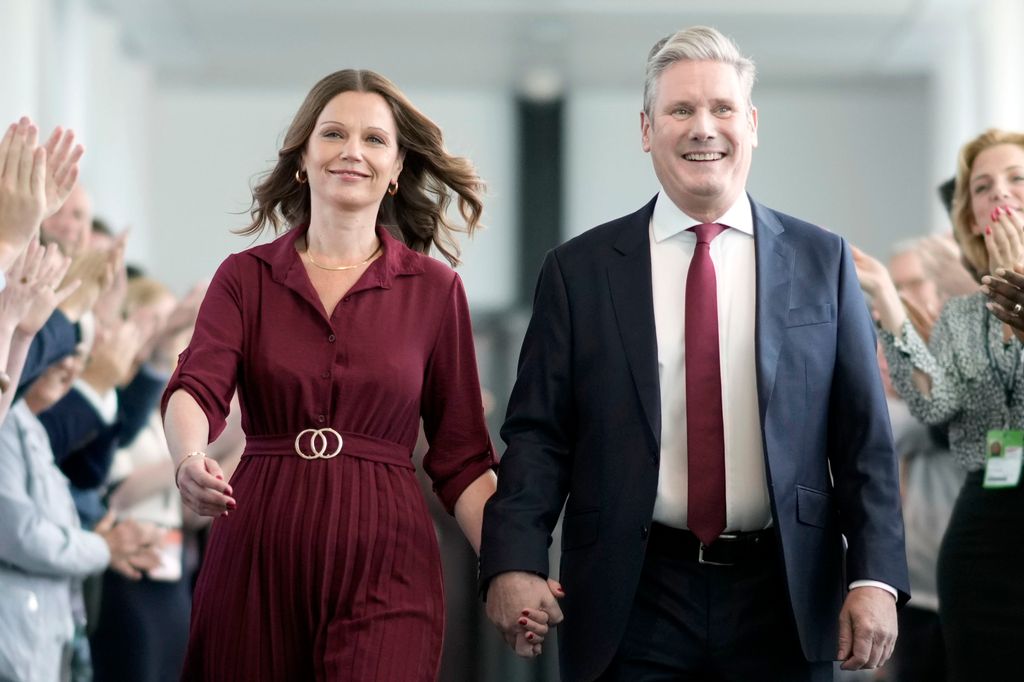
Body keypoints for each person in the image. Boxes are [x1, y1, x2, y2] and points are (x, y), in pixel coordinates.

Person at [480, 25, 909, 682]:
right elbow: (539, 435)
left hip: (784, 593)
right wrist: (514, 561)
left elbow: (863, 442)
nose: (702, 127)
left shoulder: (822, 262)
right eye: (681, 110)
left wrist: (876, 576)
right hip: (633, 595)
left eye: (722, 108)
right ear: (647, 129)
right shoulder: (579, 271)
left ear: (753, 123)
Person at [162, 69, 498, 681]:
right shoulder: (244, 277)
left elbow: (463, 457)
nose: (352, 151)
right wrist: (188, 458)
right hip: (257, 543)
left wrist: (511, 569)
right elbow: (197, 386)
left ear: (396, 169)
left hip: (388, 557)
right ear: (302, 159)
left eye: (374, 140)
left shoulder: (435, 291)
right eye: (334, 133)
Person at [855, 128, 1024, 681]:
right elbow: (938, 406)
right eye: (982, 187)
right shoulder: (965, 315)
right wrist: (886, 299)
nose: (999, 193)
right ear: (970, 216)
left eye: (1016, 178)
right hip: (984, 526)